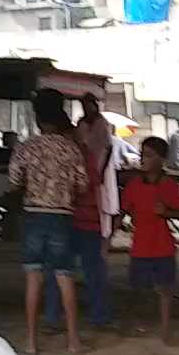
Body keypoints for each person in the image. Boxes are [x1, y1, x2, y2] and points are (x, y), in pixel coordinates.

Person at [7, 89, 89, 354]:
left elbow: (14, 182)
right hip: (62, 216)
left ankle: (31, 342)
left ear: (37, 117)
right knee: (65, 278)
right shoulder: (71, 148)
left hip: (33, 215)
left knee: (34, 280)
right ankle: (73, 341)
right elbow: (83, 184)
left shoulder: (26, 147)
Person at [43, 95, 121, 329]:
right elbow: (92, 180)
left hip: (65, 217)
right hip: (87, 218)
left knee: (57, 270)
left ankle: (54, 317)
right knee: (92, 270)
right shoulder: (85, 153)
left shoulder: (58, 153)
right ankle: (98, 315)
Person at [122, 136, 179, 342]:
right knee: (138, 289)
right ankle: (140, 325)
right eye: (143, 154)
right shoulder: (134, 185)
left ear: (161, 159)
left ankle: (165, 330)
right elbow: (124, 210)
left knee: (164, 289)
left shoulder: (169, 185)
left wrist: (166, 211)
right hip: (141, 244)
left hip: (161, 245)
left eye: (149, 155)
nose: (143, 159)